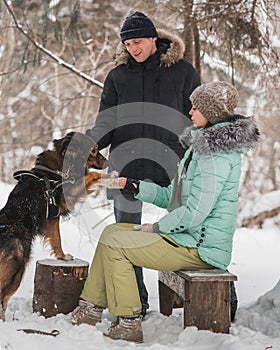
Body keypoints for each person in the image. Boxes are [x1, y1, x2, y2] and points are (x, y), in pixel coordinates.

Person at [72, 81, 260, 343]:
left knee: (117, 246)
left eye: (196, 107)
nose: (190, 110)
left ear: (213, 113)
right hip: (188, 238)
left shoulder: (216, 156)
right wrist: (135, 187)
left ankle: (128, 321)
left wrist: (158, 227)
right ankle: (90, 307)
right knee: (111, 232)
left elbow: (197, 212)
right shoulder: (199, 148)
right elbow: (172, 197)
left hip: (200, 248)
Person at [85, 11, 201, 315]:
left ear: (153, 38)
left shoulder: (183, 72)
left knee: (189, 231)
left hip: (173, 167)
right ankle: (136, 301)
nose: (132, 49)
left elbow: (197, 118)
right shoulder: (117, 76)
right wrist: (90, 143)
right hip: (128, 167)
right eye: (127, 44)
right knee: (125, 234)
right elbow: (106, 122)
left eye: (137, 42)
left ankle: (213, 297)